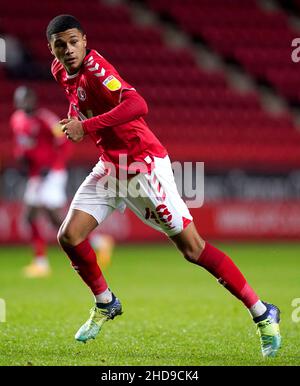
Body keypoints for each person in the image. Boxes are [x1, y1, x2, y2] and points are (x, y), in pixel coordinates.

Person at [46, 15, 281, 357]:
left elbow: (138, 105)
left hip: (143, 165)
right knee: (69, 236)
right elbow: (80, 98)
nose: (68, 50)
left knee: (193, 249)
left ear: (84, 40)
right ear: (51, 49)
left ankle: (262, 312)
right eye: (60, 45)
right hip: (111, 166)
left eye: (73, 41)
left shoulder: (97, 67)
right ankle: (106, 302)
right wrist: (76, 119)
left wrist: (88, 126)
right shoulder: (59, 71)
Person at [10, 86, 70, 277]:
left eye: (27, 99)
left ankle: (93, 243)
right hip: (36, 175)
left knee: (53, 216)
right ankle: (41, 262)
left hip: (53, 173)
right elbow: (22, 146)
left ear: (34, 100)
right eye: (20, 99)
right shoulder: (16, 120)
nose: (23, 103)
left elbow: (64, 142)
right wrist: (22, 162)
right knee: (32, 216)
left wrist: (52, 165)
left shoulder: (46, 118)